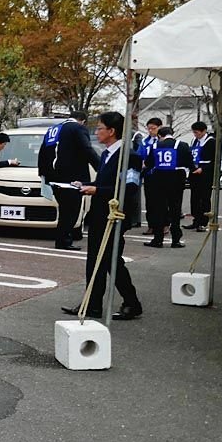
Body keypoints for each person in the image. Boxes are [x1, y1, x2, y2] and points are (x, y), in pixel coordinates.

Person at [61, 111, 142, 320]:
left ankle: (132, 303)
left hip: (115, 216)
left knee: (111, 260)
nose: (96, 132)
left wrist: (97, 191)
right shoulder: (107, 153)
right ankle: (92, 303)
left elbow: (130, 187)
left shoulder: (129, 155)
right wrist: (87, 185)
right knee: (94, 260)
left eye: (100, 128)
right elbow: (106, 182)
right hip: (99, 215)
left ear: (112, 131)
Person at [38, 111, 99, 251]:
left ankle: (61, 239)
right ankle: (64, 240)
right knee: (71, 211)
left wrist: (44, 174)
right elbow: (86, 149)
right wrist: (101, 167)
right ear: (82, 121)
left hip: (54, 177)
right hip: (71, 178)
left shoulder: (53, 129)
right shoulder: (77, 128)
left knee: (64, 210)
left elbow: (43, 152)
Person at [143, 126, 193, 248]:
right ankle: (175, 239)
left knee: (159, 209)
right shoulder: (183, 145)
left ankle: (158, 239)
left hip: (159, 179)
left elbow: (149, 164)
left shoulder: (155, 146)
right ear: (172, 134)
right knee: (175, 209)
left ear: (160, 136)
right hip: (177, 179)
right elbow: (189, 162)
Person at [185, 121, 215, 232]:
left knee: (205, 198)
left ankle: (203, 222)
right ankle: (196, 220)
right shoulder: (194, 141)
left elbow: (214, 160)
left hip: (205, 174)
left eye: (197, 132)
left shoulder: (211, 142)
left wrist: (202, 168)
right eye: (194, 132)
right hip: (194, 173)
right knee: (195, 198)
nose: (195, 135)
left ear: (204, 131)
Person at [139, 118, 163, 235]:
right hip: (148, 174)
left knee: (162, 201)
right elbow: (139, 155)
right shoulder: (144, 142)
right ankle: (151, 225)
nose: (151, 131)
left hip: (161, 174)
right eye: (149, 128)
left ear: (159, 127)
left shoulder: (163, 141)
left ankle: (164, 225)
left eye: (153, 128)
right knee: (150, 201)